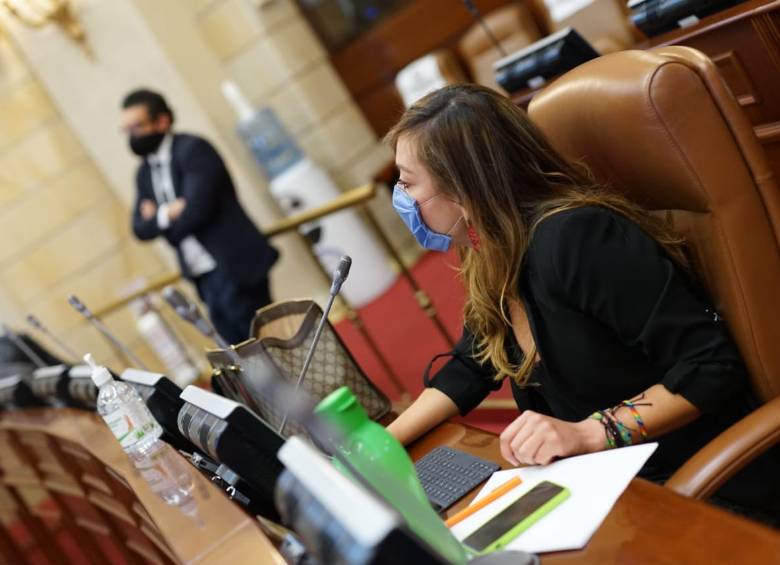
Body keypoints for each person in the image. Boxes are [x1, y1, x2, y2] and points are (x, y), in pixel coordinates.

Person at [385, 84, 779, 520]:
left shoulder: (577, 239)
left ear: (464, 189)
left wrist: (587, 434)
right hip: (613, 484)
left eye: (407, 182)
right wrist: (379, 448)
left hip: (698, 481)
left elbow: (710, 367)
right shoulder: (492, 248)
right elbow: (473, 361)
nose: (401, 199)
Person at [122, 89, 279, 345]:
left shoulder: (194, 149)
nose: (132, 136)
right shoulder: (144, 173)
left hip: (233, 263)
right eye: (127, 130)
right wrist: (168, 212)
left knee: (264, 345)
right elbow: (139, 229)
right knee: (236, 351)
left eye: (137, 126)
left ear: (162, 121)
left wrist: (160, 221)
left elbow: (197, 211)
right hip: (201, 274)